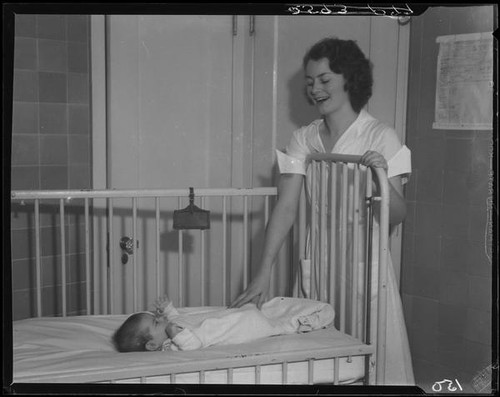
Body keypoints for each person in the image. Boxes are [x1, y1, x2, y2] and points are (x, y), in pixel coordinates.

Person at [230, 37, 414, 385]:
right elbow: (285, 208)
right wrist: (262, 272)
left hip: (365, 267)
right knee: (315, 366)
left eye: (325, 79)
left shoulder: (381, 136)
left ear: (350, 79)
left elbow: (398, 214)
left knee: (373, 363)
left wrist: (381, 182)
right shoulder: (305, 139)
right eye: (310, 81)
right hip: (319, 261)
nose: (316, 89)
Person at [112, 295, 335, 352]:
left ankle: (276, 316)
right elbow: (193, 344)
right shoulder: (171, 345)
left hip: (233, 317)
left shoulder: (169, 327)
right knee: (272, 324)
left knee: (256, 313)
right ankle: (298, 322)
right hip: (242, 327)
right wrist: (175, 333)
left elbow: (179, 318)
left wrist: (169, 309)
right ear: (152, 345)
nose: (160, 318)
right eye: (155, 322)